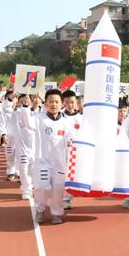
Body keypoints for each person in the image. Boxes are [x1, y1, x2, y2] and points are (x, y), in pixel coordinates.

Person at [33, 89, 72, 225]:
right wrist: (31, 106)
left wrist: (70, 142)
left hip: (60, 163)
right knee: (42, 187)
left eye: (56, 102)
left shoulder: (66, 123)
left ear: (62, 104)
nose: (53, 104)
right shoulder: (38, 119)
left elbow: (71, 138)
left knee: (58, 190)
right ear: (45, 104)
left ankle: (56, 213)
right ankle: (40, 209)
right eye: (50, 101)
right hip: (42, 162)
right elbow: (27, 122)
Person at [61, 90, 82, 210]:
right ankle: (62, 198)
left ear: (76, 103)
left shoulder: (81, 118)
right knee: (63, 175)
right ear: (63, 103)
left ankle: (67, 198)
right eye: (67, 102)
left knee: (72, 175)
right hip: (61, 151)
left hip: (76, 152)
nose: (70, 105)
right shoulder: (60, 116)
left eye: (72, 102)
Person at [0, 90, 18, 181]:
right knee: (10, 155)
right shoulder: (6, 111)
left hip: (21, 138)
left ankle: (19, 172)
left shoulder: (23, 111)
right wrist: (3, 134)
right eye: (12, 99)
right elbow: (1, 124)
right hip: (9, 138)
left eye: (16, 98)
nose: (15, 100)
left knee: (20, 155)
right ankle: (10, 171)